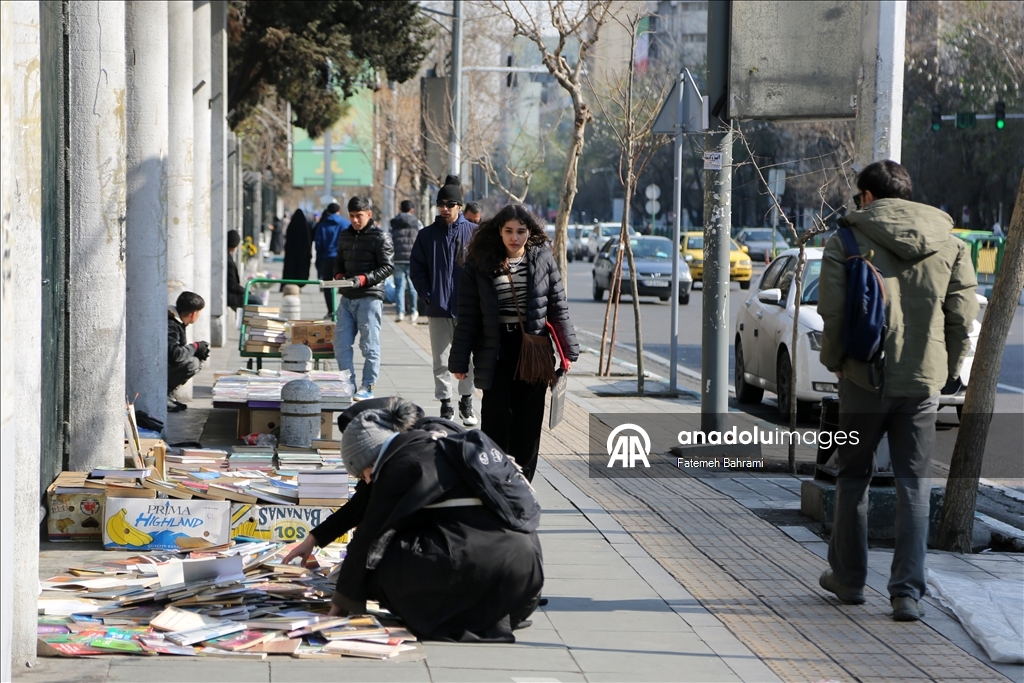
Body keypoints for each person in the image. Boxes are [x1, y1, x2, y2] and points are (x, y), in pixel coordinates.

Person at [817, 160, 978, 622]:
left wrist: (838, 366)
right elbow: (962, 319)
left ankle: (848, 580)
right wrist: (944, 369)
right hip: (922, 386)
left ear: (867, 197)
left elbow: (832, 314)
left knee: (852, 479)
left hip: (863, 380)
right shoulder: (951, 245)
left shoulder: (845, 241)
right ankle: (906, 592)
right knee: (914, 487)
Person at [282, 398, 542, 642]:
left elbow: (368, 536)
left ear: (369, 458)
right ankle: (479, 613)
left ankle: (440, 613)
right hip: (524, 579)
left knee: (382, 562)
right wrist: (315, 538)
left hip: (486, 564)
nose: (366, 482)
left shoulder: (402, 461)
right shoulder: (439, 441)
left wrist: (341, 604)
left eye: (362, 475)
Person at [449, 204, 579, 481]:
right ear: (499, 231)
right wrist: (459, 359)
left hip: (533, 349)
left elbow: (558, 307)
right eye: (508, 231)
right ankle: (497, 481)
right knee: (496, 420)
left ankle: (523, 485)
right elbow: (468, 315)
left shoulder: (543, 260)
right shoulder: (480, 264)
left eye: (520, 231)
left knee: (529, 423)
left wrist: (569, 349)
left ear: (529, 232)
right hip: (495, 351)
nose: (514, 237)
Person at [410, 176, 479, 424]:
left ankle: (466, 402)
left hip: (467, 309)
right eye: (441, 204)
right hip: (438, 307)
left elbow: (483, 269)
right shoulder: (426, 235)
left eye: (450, 204)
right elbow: (416, 269)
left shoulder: (474, 233)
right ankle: (445, 403)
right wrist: (428, 294)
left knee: (468, 357)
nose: (445, 208)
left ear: (460, 205)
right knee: (440, 359)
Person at [333, 196, 394, 401]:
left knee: (369, 345)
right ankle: (347, 383)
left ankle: (367, 385)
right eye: (351, 216)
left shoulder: (380, 237)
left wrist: (364, 279)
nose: (355, 220)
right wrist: (339, 276)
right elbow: (339, 261)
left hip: (369, 297)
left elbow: (387, 267)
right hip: (347, 296)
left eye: (359, 216)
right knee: (341, 343)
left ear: (369, 214)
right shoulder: (345, 235)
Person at [167, 291, 210, 413]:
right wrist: (195, 347)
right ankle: (163, 392)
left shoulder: (177, 322)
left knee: (195, 359)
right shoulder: (171, 324)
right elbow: (174, 355)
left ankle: (167, 393)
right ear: (194, 313)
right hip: (155, 368)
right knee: (193, 363)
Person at [313, 202, 352, 316]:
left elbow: (318, 244)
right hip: (343, 259)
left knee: (328, 285)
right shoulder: (346, 224)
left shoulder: (322, 225)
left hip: (327, 259)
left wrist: (319, 259)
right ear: (339, 211)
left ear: (328, 211)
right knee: (345, 284)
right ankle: (346, 311)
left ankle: (331, 310)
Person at [390, 200, 421, 323]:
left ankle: (400, 312)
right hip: (413, 259)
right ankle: (413, 312)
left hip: (397, 258)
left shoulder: (394, 222)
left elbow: (389, 239)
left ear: (400, 208)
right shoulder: (416, 222)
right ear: (412, 209)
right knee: (412, 287)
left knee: (399, 287)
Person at [282, 208, 313, 287]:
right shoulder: (306, 226)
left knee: (291, 269)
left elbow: (288, 238)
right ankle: (300, 284)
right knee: (301, 269)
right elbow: (309, 240)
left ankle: (289, 284)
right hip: (303, 253)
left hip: (291, 253)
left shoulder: (291, 225)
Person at [226, 230, 245, 311]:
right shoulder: (228, 261)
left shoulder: (227, 257)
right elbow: (232, 285)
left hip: (231, 293)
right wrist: (245, 291)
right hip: (230, 296)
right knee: (256, 300)